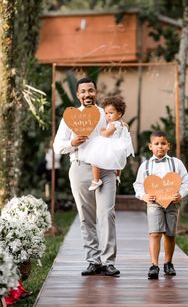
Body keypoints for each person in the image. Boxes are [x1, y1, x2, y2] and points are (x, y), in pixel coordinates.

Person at [53, 77, 120, 276]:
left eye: (90, 90)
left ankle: (108, 261)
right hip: (80, 167)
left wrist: (117, 168)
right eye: (83, 92)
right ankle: (93, 261)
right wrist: (73, 142)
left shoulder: (105, 114)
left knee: (107, 214)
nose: (87, 95)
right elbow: (58, 146)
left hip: (105, 169)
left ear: (95, 92)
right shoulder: (70, 117)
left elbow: (117, 140)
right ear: (77, 94)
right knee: (86, 216)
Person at [133, 130, 188, 279]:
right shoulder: (145, 166)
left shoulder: (176, 163)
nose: (160, 146)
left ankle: (168, 263)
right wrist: (144, 196)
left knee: (170, 233)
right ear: (150, 146)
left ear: (168, 146)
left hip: (172, 202)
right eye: (156, 144)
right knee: (155, 233)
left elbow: (186, 182)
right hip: (154, 203)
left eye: (163, 143)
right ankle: (154, 265)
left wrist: (181, 194)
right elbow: (138, 185)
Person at [81, 96, 134, 191]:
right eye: (106, 113)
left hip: (110, 145)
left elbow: (107, 134)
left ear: (119, 114)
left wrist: (102, 131)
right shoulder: (122, 123)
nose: (108, 116)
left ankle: (96, 180)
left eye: (111, 113)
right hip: (117, 146)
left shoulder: (114, 124)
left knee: (94, 160)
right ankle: (117, 175)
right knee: (118, 163)